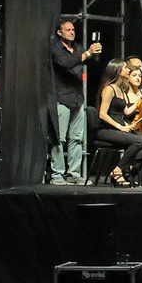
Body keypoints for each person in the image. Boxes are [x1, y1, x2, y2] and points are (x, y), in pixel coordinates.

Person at [92, 59, 142, 186]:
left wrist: (140, 99)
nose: (128, 70)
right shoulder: (109, 89)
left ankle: (127, 167)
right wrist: (120, 126)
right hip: (105, 130)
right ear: (118, 71)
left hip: (118, 128)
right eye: (126, 68)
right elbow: (102, 114)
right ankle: (119, 170)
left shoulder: (120, 89)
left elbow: (126, 112)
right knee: (139, 141)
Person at [49, 20, 102, 184]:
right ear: (60, 32)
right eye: (68, 29)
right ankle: (57, 174)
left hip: (77, 98)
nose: (72, 32)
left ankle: (73, 173)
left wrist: (94, 55)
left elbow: (90, 63)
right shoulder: (56, 48)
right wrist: (87, 54)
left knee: (77, 139)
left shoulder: (78, 48)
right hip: (62, 97)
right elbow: (65, 63)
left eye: (73, 29)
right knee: (59, 138)